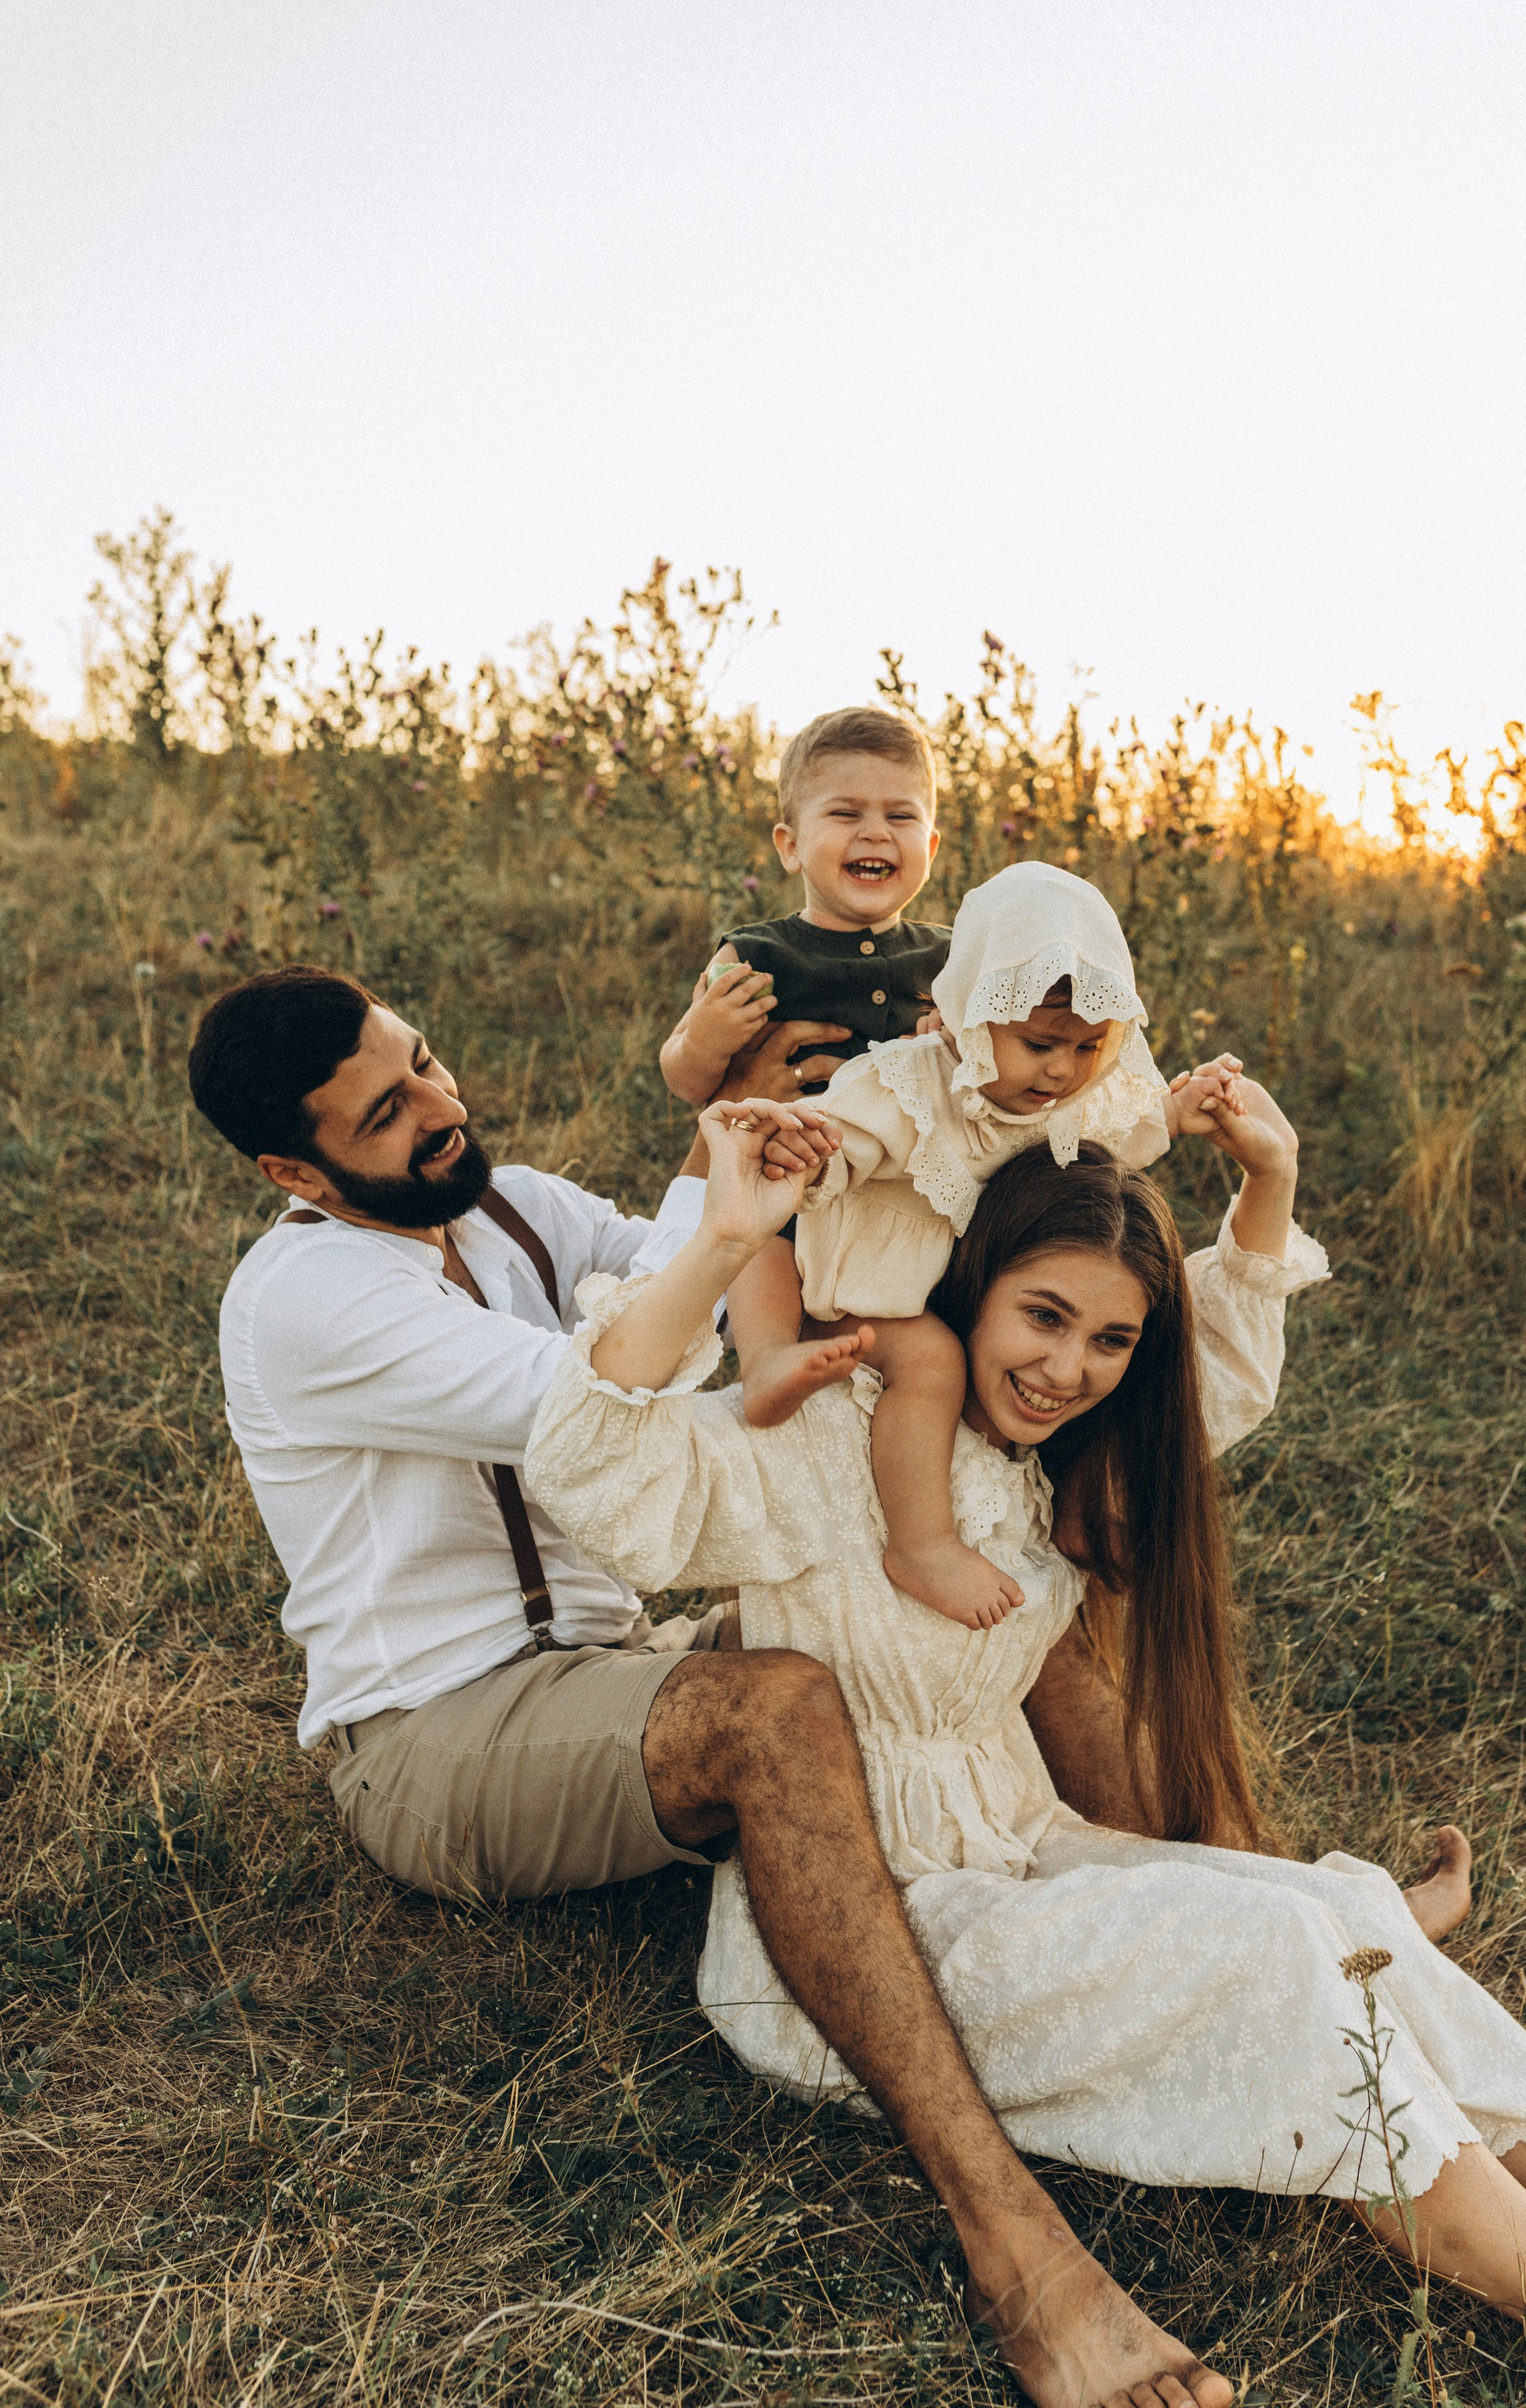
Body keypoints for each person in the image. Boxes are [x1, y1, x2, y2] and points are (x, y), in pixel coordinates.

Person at [525, 1101, 1526, 2408]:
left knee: (1346, 1914)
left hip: (1027, 1860)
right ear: (970, 1293)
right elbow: (590, 1474)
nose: (1068, 1368)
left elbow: (1224, 1380)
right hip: (887, 1934)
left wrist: (1272, 1178)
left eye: (1109, 1340)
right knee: (1277, 1954)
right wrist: (722, 1241)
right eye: (1041, 1317)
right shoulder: (831, 1441)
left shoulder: (1047, 1462)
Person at [189, 959, 1322, 2408]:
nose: (438, 1111)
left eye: (424, 1065)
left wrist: (850, 1129)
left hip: (618, 1670)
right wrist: (716, 1182)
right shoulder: (305, 1299)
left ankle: (1274, 1908)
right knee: (780, 1702)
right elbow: (599, 1404)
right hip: (437, 1736)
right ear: (295, 1169)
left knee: (997, 1570)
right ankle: (1016, 2254)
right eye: (386, 1114)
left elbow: (730, 1277)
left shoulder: (515, 1202)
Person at [726, 859, 1246, 1631]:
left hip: (942, 1296)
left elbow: (1117, 1138)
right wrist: (812, 1157)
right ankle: (920, 1543)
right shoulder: (910, 1083)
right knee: (925, 1356)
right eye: (1039, 1042)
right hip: (858, 1297)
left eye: (1088, 1046)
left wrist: (1178, 1110)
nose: (1062, 1069)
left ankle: (1071, 1518)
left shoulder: (1067, 1100)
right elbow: (844, 1141)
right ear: (970, 1012)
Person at [658, 704, 950, 1108]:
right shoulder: (753, 957)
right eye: (846, 813)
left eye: (900, 816)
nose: (876, 833)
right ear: (791, 847)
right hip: (787, 1163)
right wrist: (704, 1041)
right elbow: (686, 1085)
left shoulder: (954, 958)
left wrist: (954, 1049)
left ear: (931, 851)